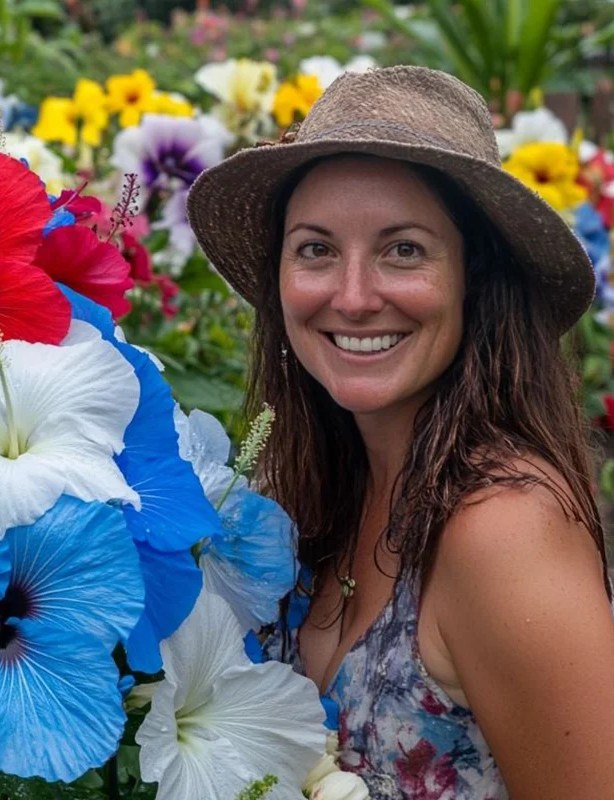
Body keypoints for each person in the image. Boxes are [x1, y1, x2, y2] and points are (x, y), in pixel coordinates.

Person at [186, 66, 614, 799]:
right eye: (316, 249)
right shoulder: (306, 496)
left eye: (404, 250)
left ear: (474, 280)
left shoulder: (503, 529)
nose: (352, 298)